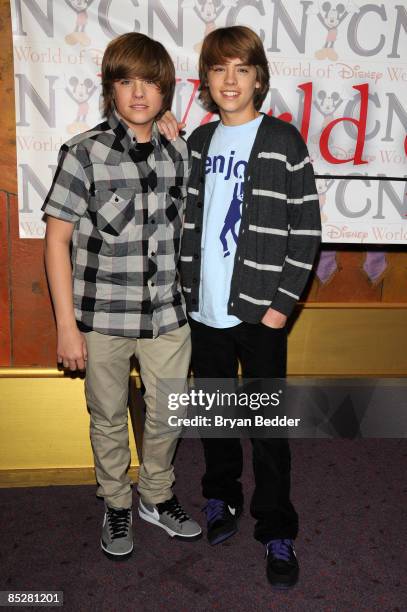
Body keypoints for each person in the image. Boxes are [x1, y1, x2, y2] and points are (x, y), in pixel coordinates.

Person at [42, 32, 202, 561]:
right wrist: (67, 326)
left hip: (167, 314)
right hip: (102, 317)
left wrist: (166, 132)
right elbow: (57, 241)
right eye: (126, 81)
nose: (139, 93)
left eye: (151, 83)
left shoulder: (179, 150)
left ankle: (156, 495)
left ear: (166, 91)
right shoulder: (82, 153)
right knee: (107, 414)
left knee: (169, 412)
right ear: (110, 87)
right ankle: (115, 501)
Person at [179, 25, 321, 589]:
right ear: (207, 83)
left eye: (241, 68)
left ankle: (277, 527)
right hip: (204, 310)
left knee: (265, 427)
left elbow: (306, 228)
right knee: (216, 416)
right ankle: (220, 499)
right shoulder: (196, 143)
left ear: (258, 77)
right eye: (218, 70)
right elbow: (184, 217)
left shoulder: (284, 141)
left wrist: (282, 305)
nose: (230, 79)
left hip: (261, 314)